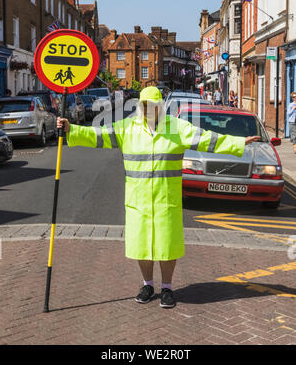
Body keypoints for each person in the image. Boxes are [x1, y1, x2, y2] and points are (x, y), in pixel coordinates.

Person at [57, 86, 260, 308]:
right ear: (139, 107)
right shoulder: (128, 128)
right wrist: (71, 129)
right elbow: (98, 135)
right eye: (145, 106)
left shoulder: (176, 128)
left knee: (167, 246)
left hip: (166, 199)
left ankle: (167, 288)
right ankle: (147, 284)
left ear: (161, 106)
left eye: (154, 106)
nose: (149, 109)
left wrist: (238, 142)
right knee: (141, 246)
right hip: (138, 200)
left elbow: (208, 140)